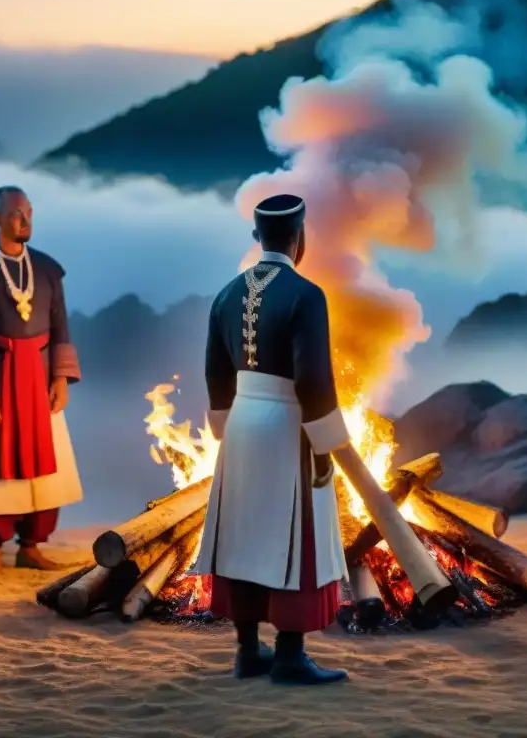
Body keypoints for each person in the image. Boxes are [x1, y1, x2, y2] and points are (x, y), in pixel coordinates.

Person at [195, 193, 351, 686]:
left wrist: (223, 427)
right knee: (294, 537)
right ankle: (288, 656)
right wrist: (324, 444)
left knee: (242, 534)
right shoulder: (307, 295)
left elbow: (215, 373)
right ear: (299, 238)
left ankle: (246, 653)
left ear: (257, 237)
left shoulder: (224, 295)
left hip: (241, 420)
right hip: (287, 424)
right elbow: (313, 380)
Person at [0, 186, 83, 584]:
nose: (25, 221)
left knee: (46, 463)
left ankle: (31, 547)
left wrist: (61, 378)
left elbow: (61, 325)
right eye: (15, 215)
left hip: (41, 375)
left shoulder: (47, 269)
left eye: (28, 213)